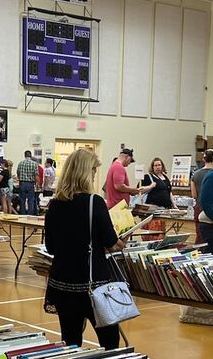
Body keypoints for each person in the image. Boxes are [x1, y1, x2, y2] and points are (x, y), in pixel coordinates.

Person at [44, 148, 126, 350]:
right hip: (93, 284)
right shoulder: (94, 202)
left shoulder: (54, 205)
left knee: (71, 342)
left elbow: (51, 247)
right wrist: (119, 242)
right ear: (85, 173)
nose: (94, 176)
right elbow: (110, 242)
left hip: (62, 284)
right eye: (93, 172)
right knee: (109, 341)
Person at [190, 150, 213, 244]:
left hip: (200, 208)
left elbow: (194, 195)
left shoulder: (195, 175)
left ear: (203, 159)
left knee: (200, 236)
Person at [17, 151, 39, 215]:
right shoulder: (34, 164)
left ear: (24, 155)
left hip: (22, 183)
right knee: (31, 200)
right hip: (30, 183)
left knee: (22, 200)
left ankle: (22, 214)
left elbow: (18, 173)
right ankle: (30, 214)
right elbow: (36, 175)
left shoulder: (20, 163)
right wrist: (37, 184)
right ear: (31, 155)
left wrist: (20, 178)